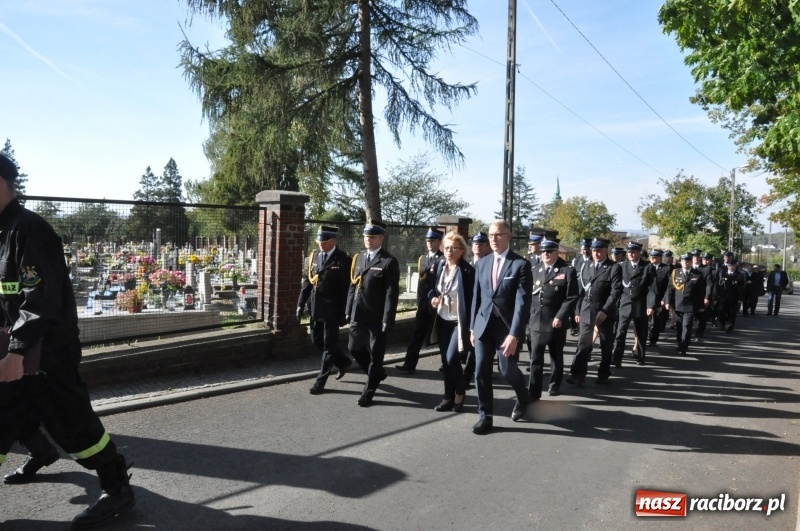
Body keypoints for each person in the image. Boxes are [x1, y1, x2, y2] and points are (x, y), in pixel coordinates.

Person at [0, 153, 135, 528]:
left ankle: (117, 487)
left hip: (47, 354)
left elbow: (38, 300)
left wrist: (17, 352)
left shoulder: (29, 230)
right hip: (15, 350)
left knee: (72, 425)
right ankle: (41, 451)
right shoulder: (3, 230)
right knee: (8, 414)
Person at [469, 220, 532, 434]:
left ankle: (522, 397)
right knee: (480, 371)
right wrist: (472, 328)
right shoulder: (482, 263)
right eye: (491, 235)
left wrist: (515, 334)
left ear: (509, 236)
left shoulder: (520, 265)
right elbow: (476, 298)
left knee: (507, 370)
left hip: (506, 328)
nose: (494, 239)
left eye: (498, 235)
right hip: (483, 325)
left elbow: (522, 304)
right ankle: (485, 416)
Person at [346, 221, 400, 407]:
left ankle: (368, 392)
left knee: (376, 356)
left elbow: (391, 294)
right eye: (366, 237)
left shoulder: (388, 261)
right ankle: (377, 374)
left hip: (377, 317)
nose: (368, 240)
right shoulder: (359, 257)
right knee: (354, 348)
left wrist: (387, 318)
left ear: (381, 238)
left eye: (372, 237)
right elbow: (353, 285)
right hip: (358, 313)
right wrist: (348, 310)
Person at [297, 226, 352, 395]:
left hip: (333, 310)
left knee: (329, 345)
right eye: (319, 241)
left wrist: (346, 312)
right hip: (316, 307)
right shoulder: (314, 256)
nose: (320, 244)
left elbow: (347, 289)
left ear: (333, 241)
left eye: (324, 241)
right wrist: (300, 304)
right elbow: (307, 282)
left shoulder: (343, 260)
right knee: (316, 340)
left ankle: (320, 382)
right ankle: (342, 362)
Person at [429, 232, 474, 412]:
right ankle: (448, 396)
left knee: (452, 358)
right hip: (442, 319)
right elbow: (432, 288)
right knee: (445, 361)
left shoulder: (467, 271)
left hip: (459, 322)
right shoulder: (440, 265)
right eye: (446, 248)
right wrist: (433, 298)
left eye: (454, 248)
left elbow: (473, 300)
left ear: (461, 251)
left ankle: (460, 393)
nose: (449, 251)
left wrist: (472, 327)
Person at [527, 238, 578, 399]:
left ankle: (554, 385)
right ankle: (533, 390)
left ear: (557, 252)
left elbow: (571, 297)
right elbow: (529, 296)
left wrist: (560, 316)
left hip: (555, 321)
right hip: (537, 321)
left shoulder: (566, 270)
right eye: (543, 251)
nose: (546, 254)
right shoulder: (535, 270)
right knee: (535, 358)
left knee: (556, 355)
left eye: (549, 251)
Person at [567, 238, 622, 385]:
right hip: (586, 310)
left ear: (606, 251)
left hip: (604, 312)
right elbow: (580, 291)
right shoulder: (587, 265)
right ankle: (578, 375)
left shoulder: (614, 267)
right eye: (594, 251)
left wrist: (605, 310)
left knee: (606, 345)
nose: (596, 254)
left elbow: (615, 292)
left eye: (599, 251)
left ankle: (603, 373)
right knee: (583, 344)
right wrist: (577, 311)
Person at [396, 227, 443, 374]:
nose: (429, 243)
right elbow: (421, 284)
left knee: (441, 335)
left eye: (433, 240)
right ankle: (409, 364)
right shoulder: (423, 259)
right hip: (423, 303)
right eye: (428, 241)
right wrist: (418, 302)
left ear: (440, 242)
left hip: (437, 303)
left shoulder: (443, 259)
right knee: (417, 333)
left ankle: (447, 363)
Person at [612, 242, 657, 366]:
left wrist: (650, 305)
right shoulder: (622, 266)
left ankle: (640, 357)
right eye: (629, 252)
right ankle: (617, 358)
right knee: (621, 332)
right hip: (625, 303)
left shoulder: (647, 267)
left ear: (639, 253)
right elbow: (617, 287)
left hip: (640, 304)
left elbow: (652, 289)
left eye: (633, 252)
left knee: (641, 332)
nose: (631, 254)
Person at [664, 253, 707, 355]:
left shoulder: (697, 274)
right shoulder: (676, 272)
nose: (686, 263)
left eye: (688, 261)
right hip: (678, 304)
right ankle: (680, 343)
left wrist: (701, 305)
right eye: (684, 261)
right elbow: (670, 288)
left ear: (691, 262)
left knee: (687, 327)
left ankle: (684, 346)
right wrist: (667, 301)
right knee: (679, 327)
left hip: (690, 305)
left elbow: (701, 291)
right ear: (681, 262)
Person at [464, 232, 491, 385]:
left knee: (477, 343)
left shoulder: (490, 264)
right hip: (466, 309)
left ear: (487, 247)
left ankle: (468, 375)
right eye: (475, 244)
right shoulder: (466, 264)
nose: (478, 247)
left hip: (482, 310)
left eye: (481, 244)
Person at [646, 249, 671, 346]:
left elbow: (669, 286)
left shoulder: (666, 268)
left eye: (655, 257)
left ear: (660, 258)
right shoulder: (646, 267)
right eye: (652, 257)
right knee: (645, 320)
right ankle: (644, 337)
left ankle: (653, 339)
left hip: (659, 299)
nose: (653, 259)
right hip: (647, 298)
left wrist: (665, 299)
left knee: (656, 321)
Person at [714, 258, 746, 332]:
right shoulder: (722, 274)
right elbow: (718, 286)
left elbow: (742, 288)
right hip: (723, 297)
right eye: (730, 265)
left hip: (734, 298)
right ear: (728, 266)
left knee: (732, 313)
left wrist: (740, 299)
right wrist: (716, 296)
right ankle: (722, 324)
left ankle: (729, 325)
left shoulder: (739, 275)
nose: (732, 267)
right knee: (721, 311)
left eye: (733, 265)